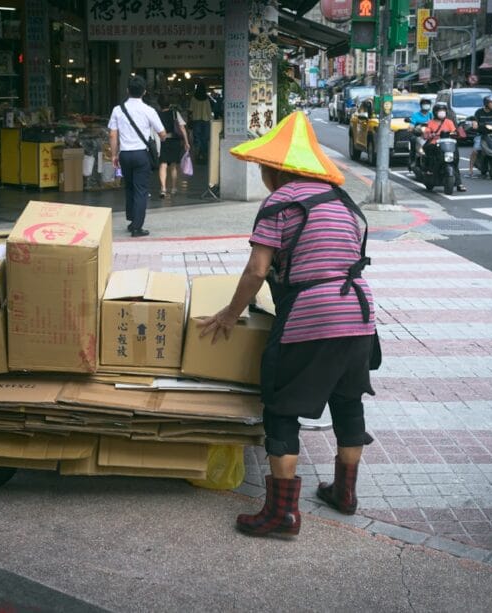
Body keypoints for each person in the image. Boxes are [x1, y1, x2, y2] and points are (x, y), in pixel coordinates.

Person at [197, 111, 377, 538]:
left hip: (312, 314)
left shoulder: (280, 202)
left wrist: (228, 313)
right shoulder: (342, 200)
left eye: (263, 168)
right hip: (360, 313)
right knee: (348, 402)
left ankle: (281, 514)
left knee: (281, 409)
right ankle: (345, 494)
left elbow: (257, 269)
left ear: (273, 170)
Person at [109, 76, 167, 237]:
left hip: (125, 155)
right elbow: (162, 134)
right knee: (141, 190)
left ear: (127, 91)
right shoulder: (149, 110)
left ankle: (131, 220)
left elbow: (113, 135)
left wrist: (114, 155)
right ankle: (137, 227)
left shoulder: (117, 110)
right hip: (141, 154)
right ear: (144, 92)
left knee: (129, 187)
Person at [423, 103, 467, 192]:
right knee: (430, 152)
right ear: (435, 112)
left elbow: (454, 131)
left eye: (443, 111)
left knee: (454, 162)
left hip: (448, 144)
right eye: (440, 111)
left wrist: (457, 133)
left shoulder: (449, 122)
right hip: (435, 144)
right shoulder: (430, 122)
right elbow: (426, 133)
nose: (442, 113)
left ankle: (459, 183)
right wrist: (431, 134)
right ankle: (430, 170)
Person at [156, 94, 190, 198]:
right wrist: (186, 142)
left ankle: (163, 189)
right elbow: (182, 128)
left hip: (162, 141)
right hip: (174, 140)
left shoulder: (157, 115)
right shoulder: (175, 113)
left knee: (163, 164)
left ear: (159, 104)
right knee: (174, 166)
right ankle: (174, 188)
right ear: (169, 104)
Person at [469, 95, 492, 178]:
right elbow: (475, 121)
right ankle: (471, 168)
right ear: (486, 104)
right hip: (482, 134)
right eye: (491, 103)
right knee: (476, 150)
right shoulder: (479, 112)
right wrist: (474, 124)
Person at [188, 81, 213, 163]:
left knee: (197, 139)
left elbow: (191, 110)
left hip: (196, 121)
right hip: (205, 121)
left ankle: (197, 156)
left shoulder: (193, 98)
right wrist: (211, 120)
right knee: (204, 139)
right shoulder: (206, 99)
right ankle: (204, 156)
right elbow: (209, 111)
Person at [407, 98, 433, 171]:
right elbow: (411, 124)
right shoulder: (415, 115)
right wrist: (411, 128)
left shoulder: (431, 115)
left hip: (429, 135)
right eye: (424, 104)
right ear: (421, 105)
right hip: (418, 134)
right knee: (413, 139)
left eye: (427, 104)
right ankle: (412, 160)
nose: (426, 106)